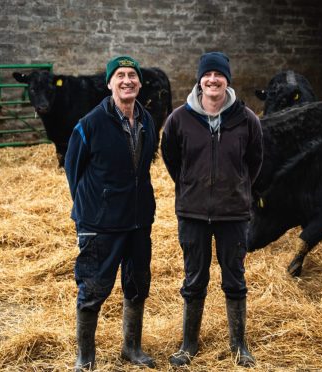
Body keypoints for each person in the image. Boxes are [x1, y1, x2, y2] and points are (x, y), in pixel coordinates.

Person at [161, 51, 263, 368]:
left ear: (227, 80)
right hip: (192, 214)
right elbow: (171, 159)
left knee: (235, 278)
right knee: (194, 279)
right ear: (200, 80)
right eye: (208, 75)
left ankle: (239, 344)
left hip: (233, 213)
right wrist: (192, 185)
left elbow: (255, 162)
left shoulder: (247, 119)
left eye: (219, 75)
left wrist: (236, 186)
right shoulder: (179, 119)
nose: (213, 80)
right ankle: (189, 344)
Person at [64, 55, 158, 371]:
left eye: (132, 75)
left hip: (138, 220)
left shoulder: (147, 119)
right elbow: (73, 170)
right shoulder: (89, 124)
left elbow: (145, 166)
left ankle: (131, 348)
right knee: (92, 286)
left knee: (137, 282)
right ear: (109, 83)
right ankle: (86, 357)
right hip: (100, 223)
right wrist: (93, 206)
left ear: (140, 83)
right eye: (120, 75)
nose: (127, 80)